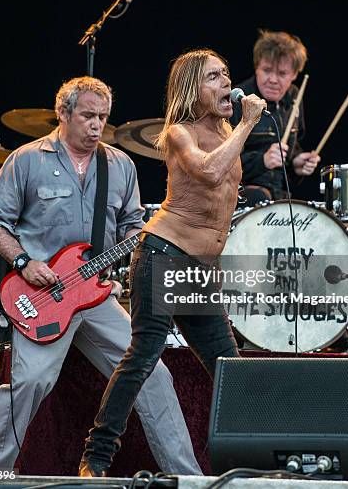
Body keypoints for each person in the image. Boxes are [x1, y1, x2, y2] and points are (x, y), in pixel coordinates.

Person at [0, 76, 202, 475]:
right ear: (63, 113)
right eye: (88, 116)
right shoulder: (27, 159)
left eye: (103, 118)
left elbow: (132, 225)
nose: (97, 125)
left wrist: (133, 253)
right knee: (29, 385)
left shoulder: (119, 164)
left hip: (96, 298)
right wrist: (26, 263)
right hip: (40, 296)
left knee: (155, 375)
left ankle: (189, 478)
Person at [78, 48, 267, 477]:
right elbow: (209, 173)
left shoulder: (226, 131)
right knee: (143, 355)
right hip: (164, 254)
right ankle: (97, 456)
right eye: (214, 77)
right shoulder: (180, 131)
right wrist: (248, 122)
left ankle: (254, 460)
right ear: (191, 89)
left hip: (199, 271)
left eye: (226, 75)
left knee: (228, 367)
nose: (226, 83)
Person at [230, 29, 320, 206]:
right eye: (267, 70)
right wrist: (262, 160)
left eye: (282, 73)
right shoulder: (238, 101)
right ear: (257, 67)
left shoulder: (294, 96)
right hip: (244, 196)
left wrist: (296, 163)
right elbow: (221, 162)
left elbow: (291, 149)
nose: (272, 79)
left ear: (294, 75)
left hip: (281, 195)